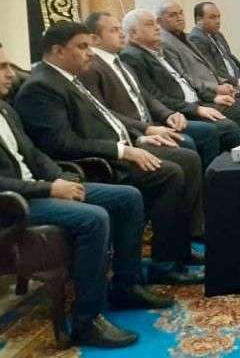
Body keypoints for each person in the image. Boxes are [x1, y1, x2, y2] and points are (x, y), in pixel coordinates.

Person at [0, 37, 174, 348]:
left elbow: (33, 154)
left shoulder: (2, 107)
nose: (10, 74)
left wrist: (62, 179)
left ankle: (126, 285)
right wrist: (49, 188)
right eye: (0, 67)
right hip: (2, 205)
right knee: (93, 218)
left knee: (127, 197)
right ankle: (87, 321)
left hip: (33, 191)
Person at [14, 22, 204, 285]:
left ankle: (178, 251)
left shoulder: (69, 77)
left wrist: (140, 136)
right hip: (94, 164)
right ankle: (164, 263)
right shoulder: (42, 87)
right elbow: (61, 143)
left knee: (186, 157)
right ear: (58, 51)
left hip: (117, 149)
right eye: (82, 46)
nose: (90, 53)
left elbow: (106, 117)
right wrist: (122, 150)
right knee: (170, 172)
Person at [81, 11, 234, 168]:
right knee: (188, 147)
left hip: (152, 122)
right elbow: (103, 112)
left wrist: (168, 115)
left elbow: (146, 96)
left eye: (120, 28)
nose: (121, 34)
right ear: (94, 39)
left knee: (207, 131)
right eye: (114, 30)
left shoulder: (119, 61)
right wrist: (147, 129)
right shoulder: (93, 67)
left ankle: (214, 179)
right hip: (132, 132)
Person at [119, 8, 240, 154]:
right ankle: (221, 168)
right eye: (150, 24)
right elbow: (155, 96)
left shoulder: (159, 50)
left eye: (156, 23)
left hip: (195, 102)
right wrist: (197, 109)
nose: (157, 27)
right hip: (177, 111)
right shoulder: (132, 56)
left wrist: (213, 97)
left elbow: (185, 80)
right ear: (133, 34)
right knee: (226, 126)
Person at [156, 1, 240, 123]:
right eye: (173, 15)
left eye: (181, 13)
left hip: (215, 89)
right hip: (201, 96)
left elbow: (212, 66)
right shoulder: (166, 43)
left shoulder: (185, 37)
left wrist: (223, 84)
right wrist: (215, 90)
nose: (179, 18)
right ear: (159, 21)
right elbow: (184, 76)